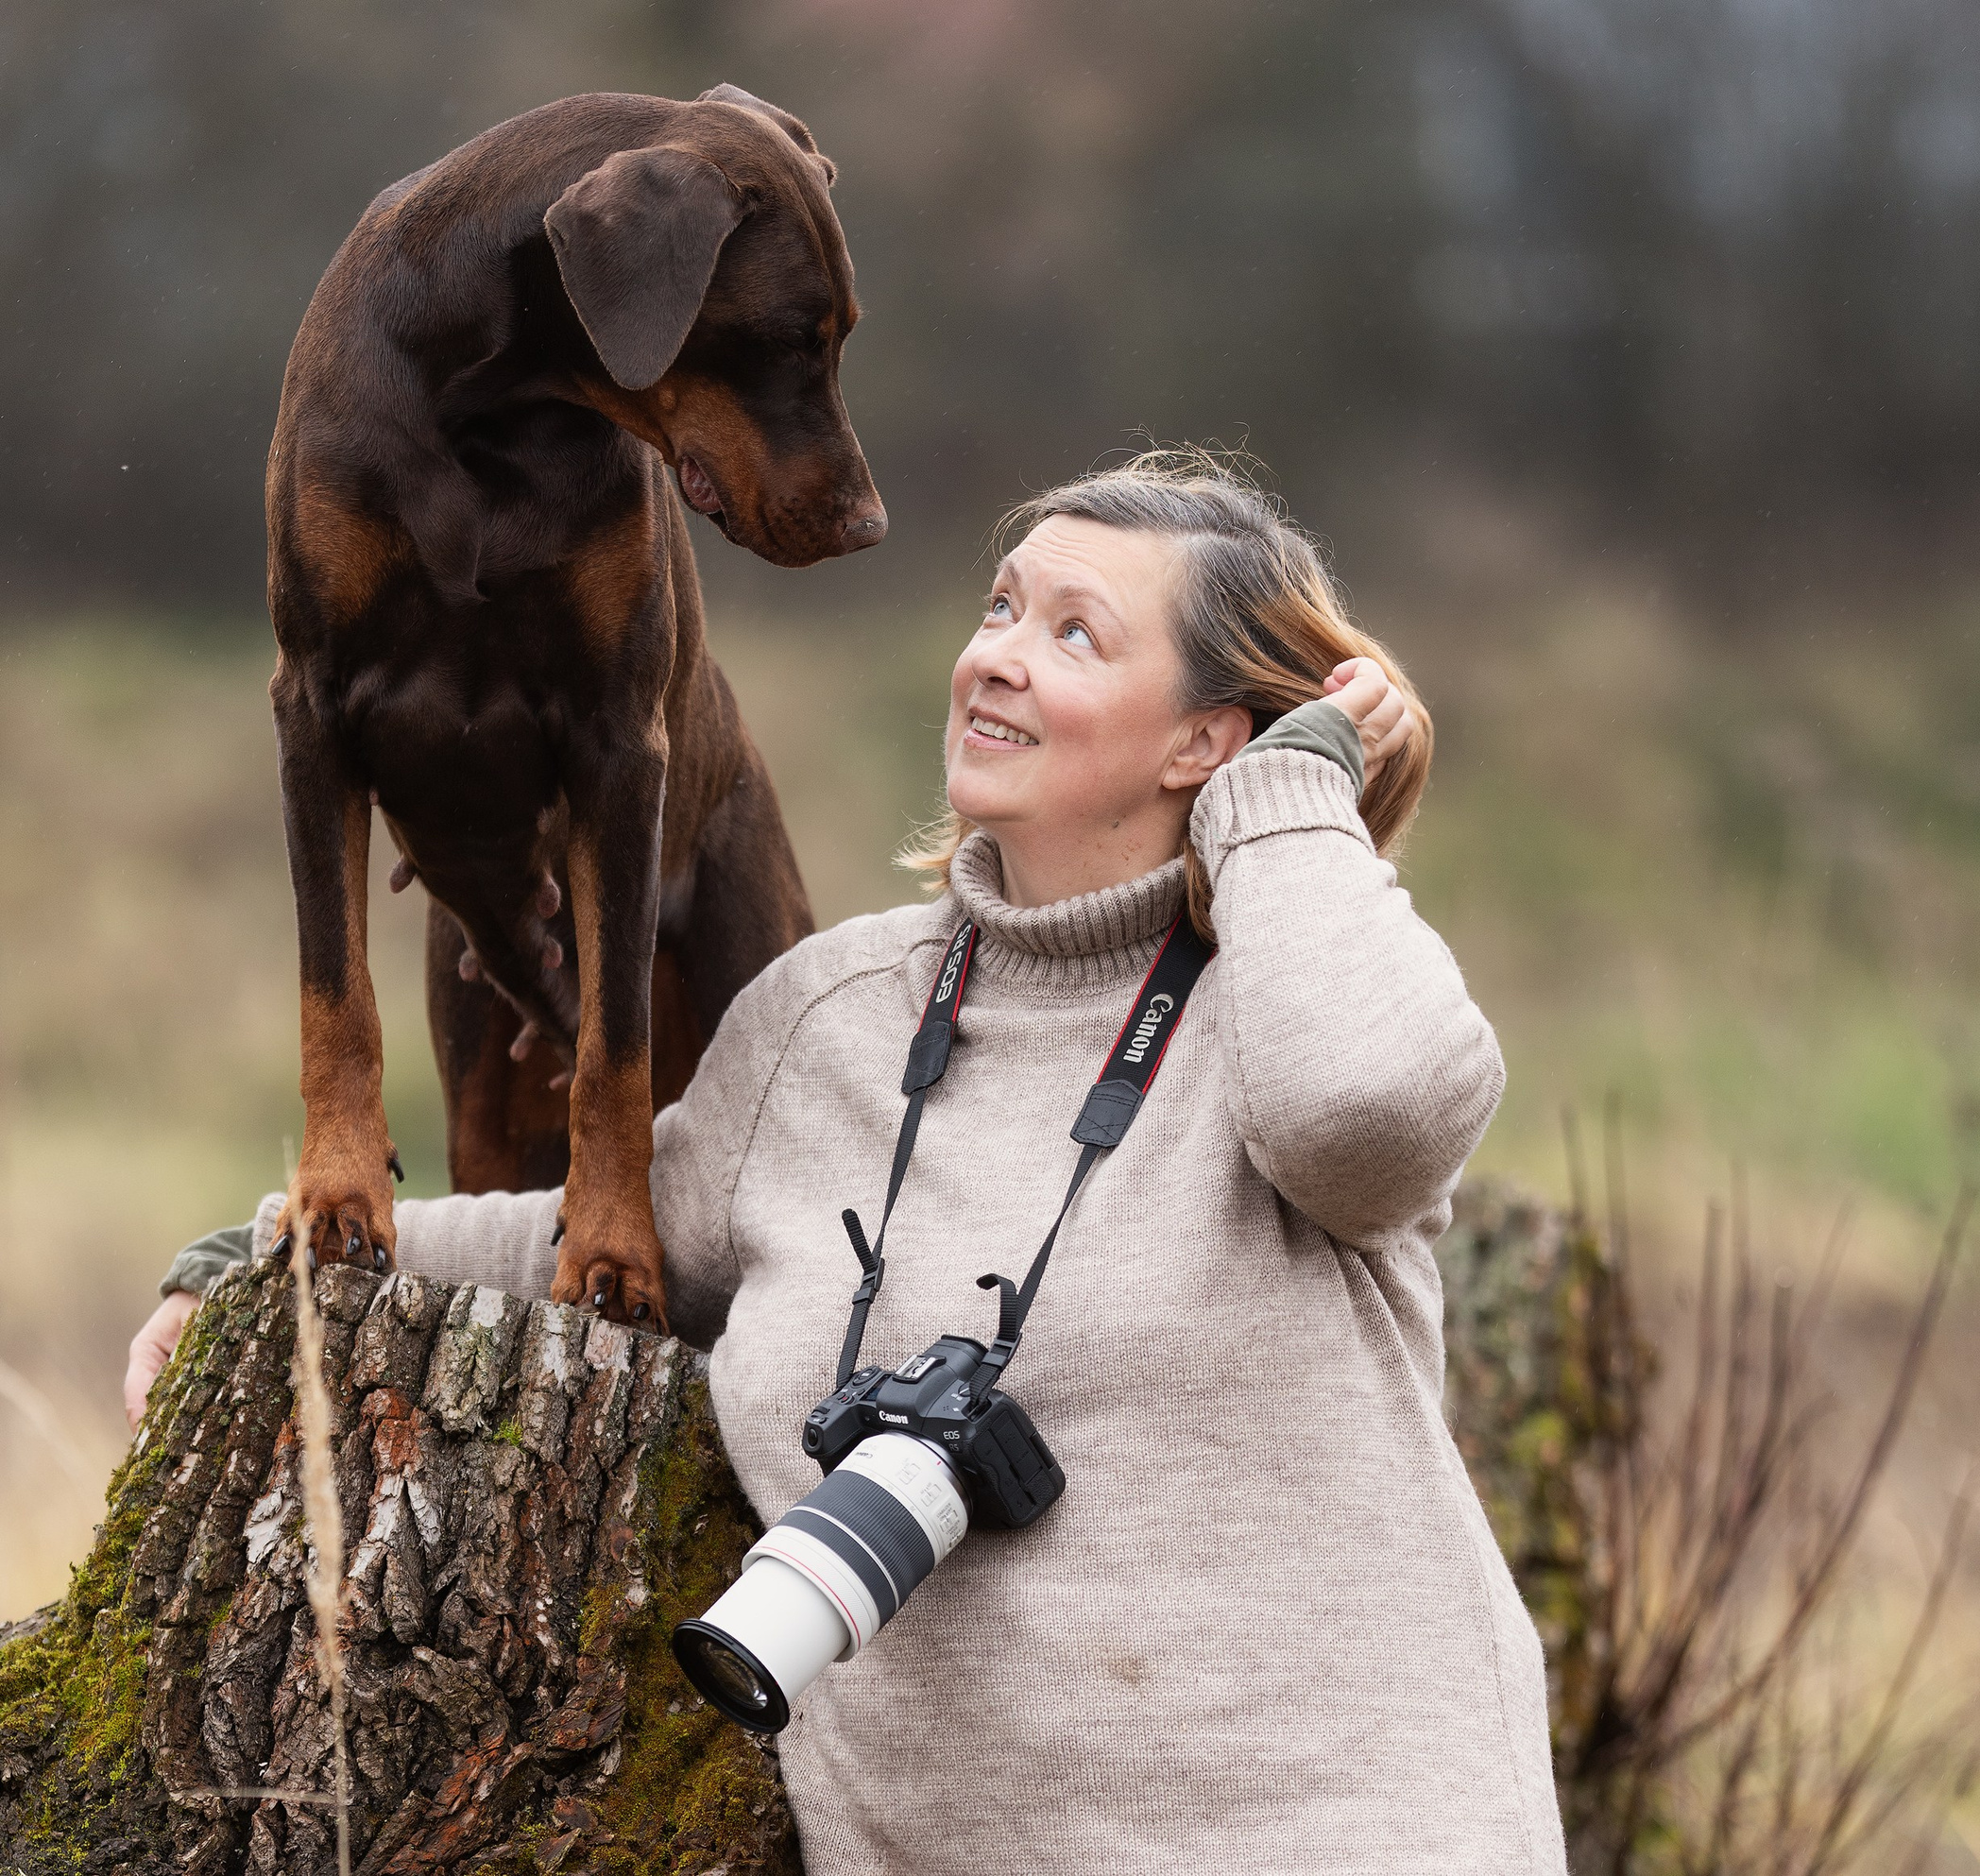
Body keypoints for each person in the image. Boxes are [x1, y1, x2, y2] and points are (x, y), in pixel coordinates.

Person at [123, 450, 1568, 1874]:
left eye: (1076, 634)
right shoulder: (832, 1021)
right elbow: (587, 1240)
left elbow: (1363, 1116)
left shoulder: (1297, 992)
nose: (996, 657)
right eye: (1001, 607)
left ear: (1207, 737)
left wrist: (1296, 804)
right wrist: (262, 1260)